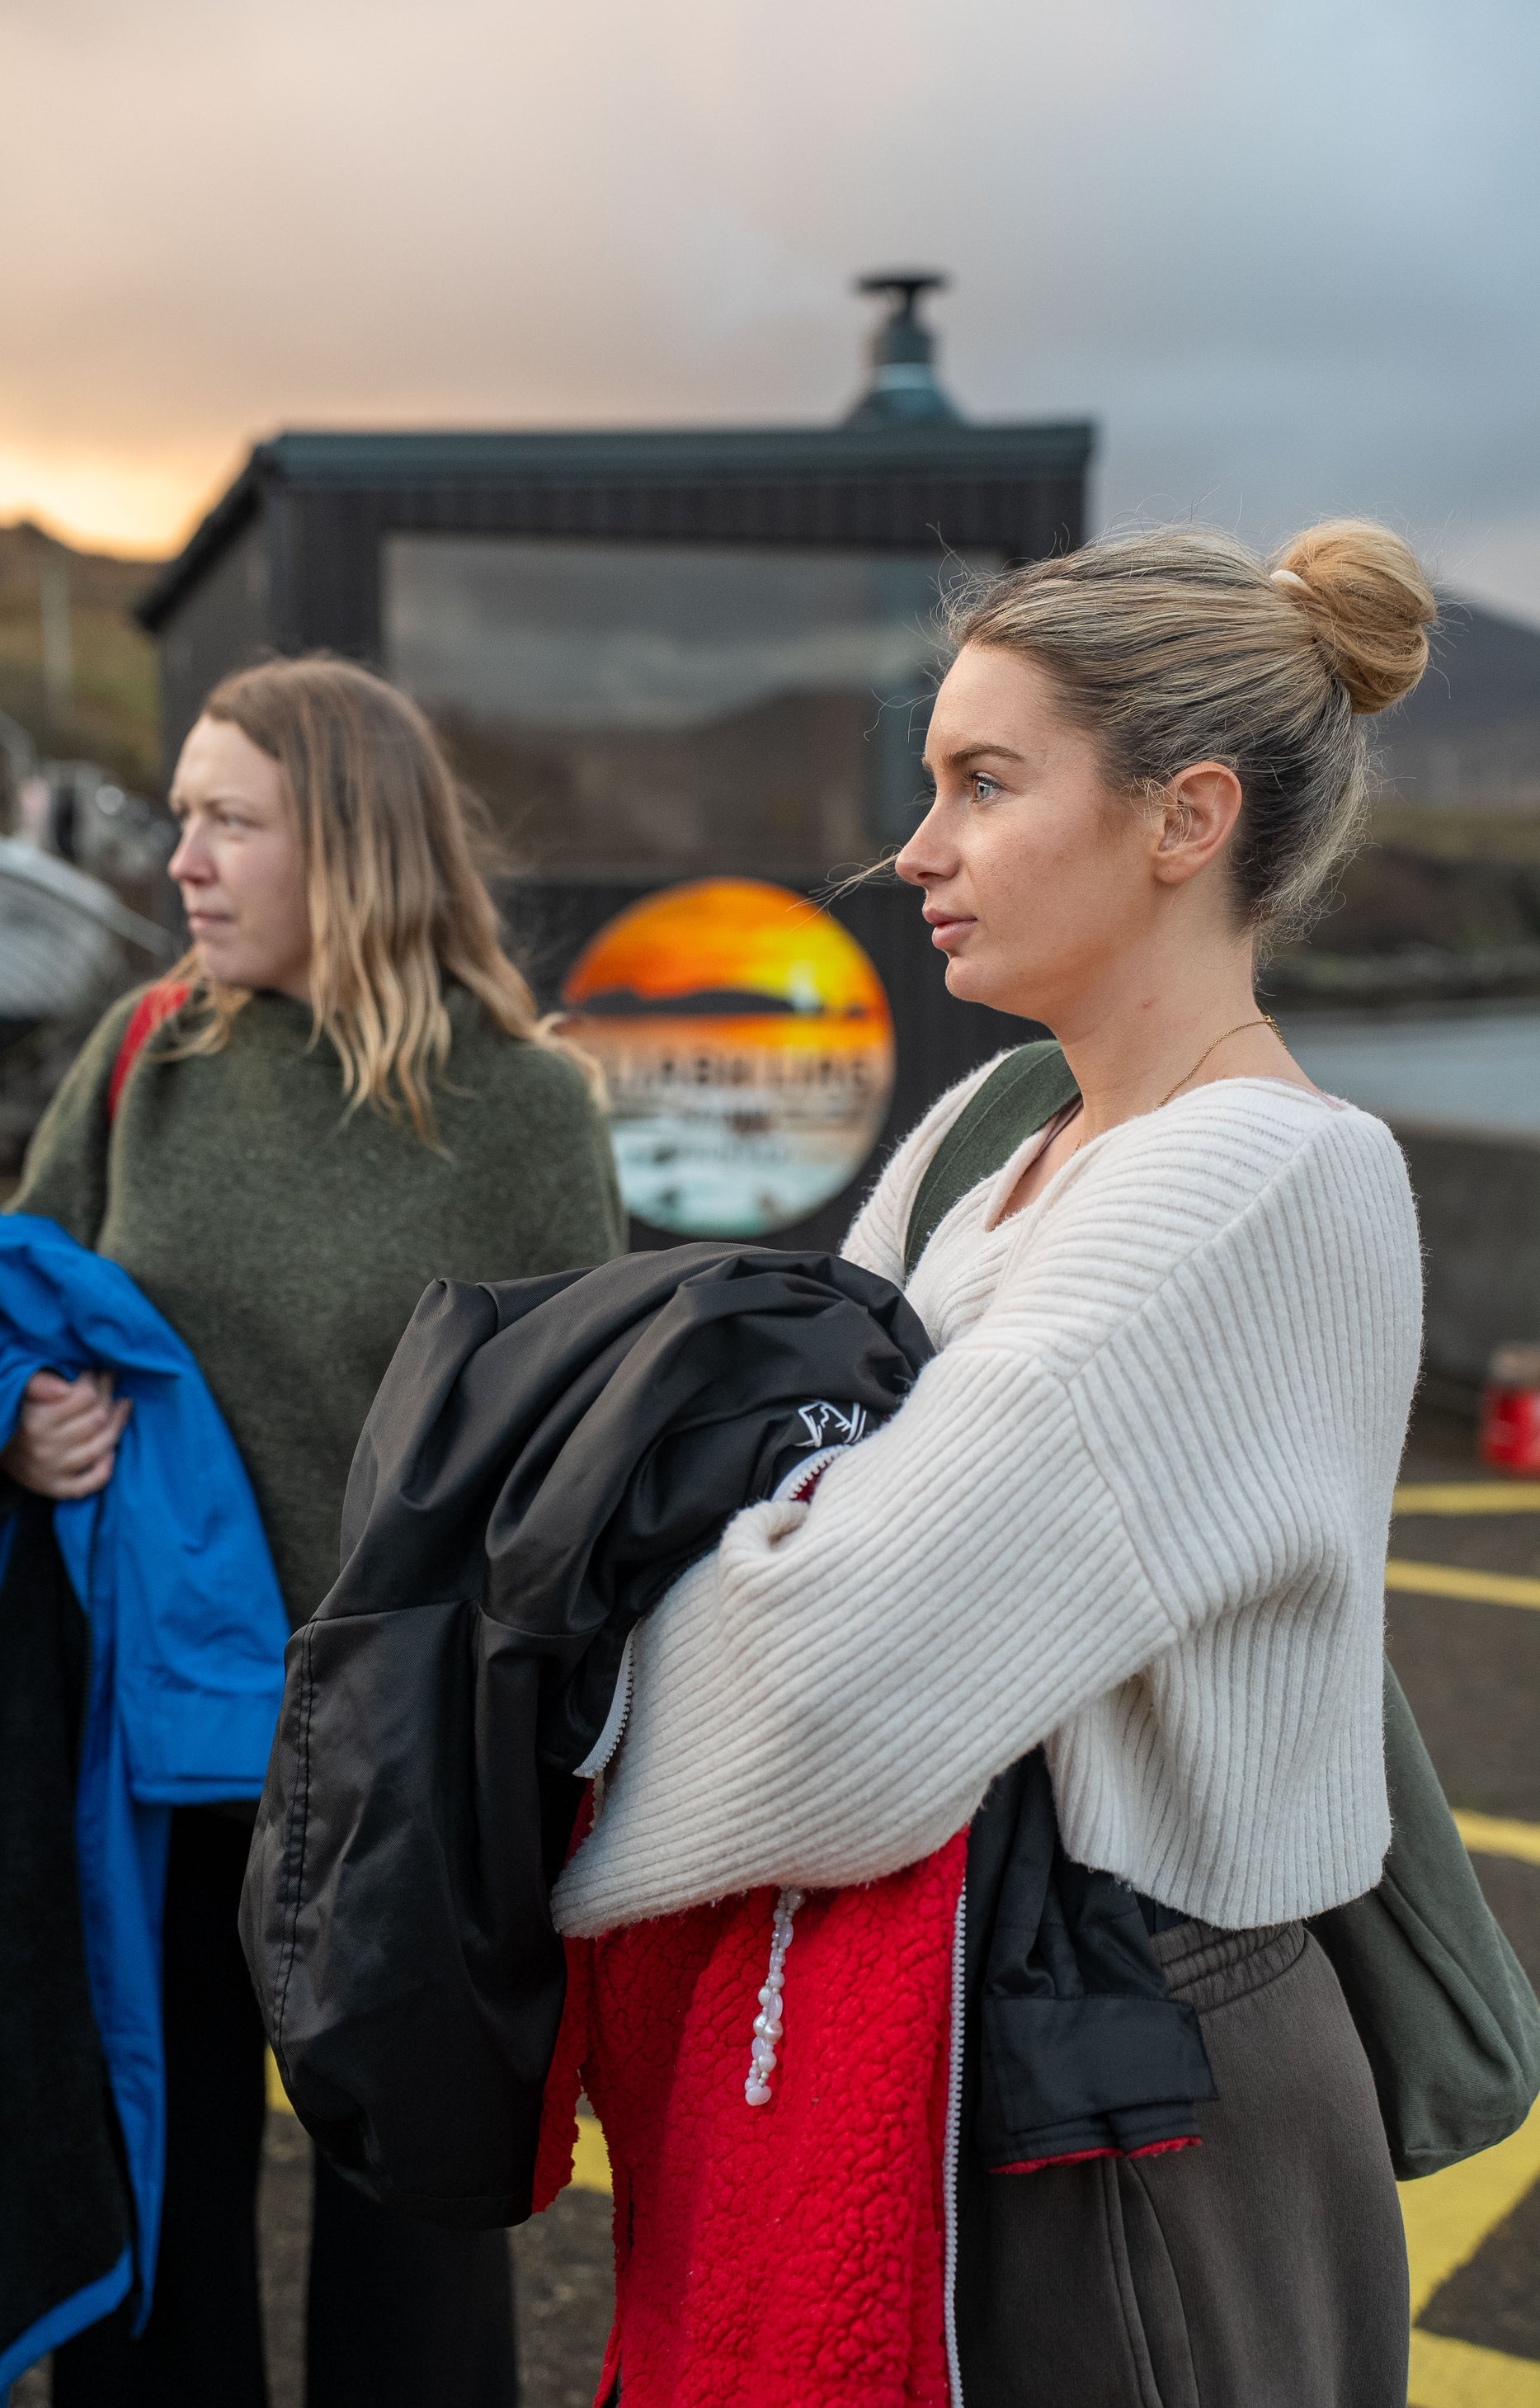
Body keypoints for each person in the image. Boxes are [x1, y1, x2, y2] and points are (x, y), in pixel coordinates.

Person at [547, 521, 1435, 2404]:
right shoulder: (995, 1121)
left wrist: (531, 1758)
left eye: (984, 783)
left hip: (1125, 2091)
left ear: (1185, 815)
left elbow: (837, 1665)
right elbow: (793, 1521)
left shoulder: (1253, 1176)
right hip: (976, 2029)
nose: (915, 849)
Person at [0, 656, 625, 2408]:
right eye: (181, 816)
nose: (182, 860)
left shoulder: (522, 1105)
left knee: (415, 2217)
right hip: (156, 1734)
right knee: (152, 2175)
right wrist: (28, 1442)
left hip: (404, 1764)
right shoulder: (143, 1056)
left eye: (229, 820)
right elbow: (11, 1312)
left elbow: (573, 1451)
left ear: (348, 840)